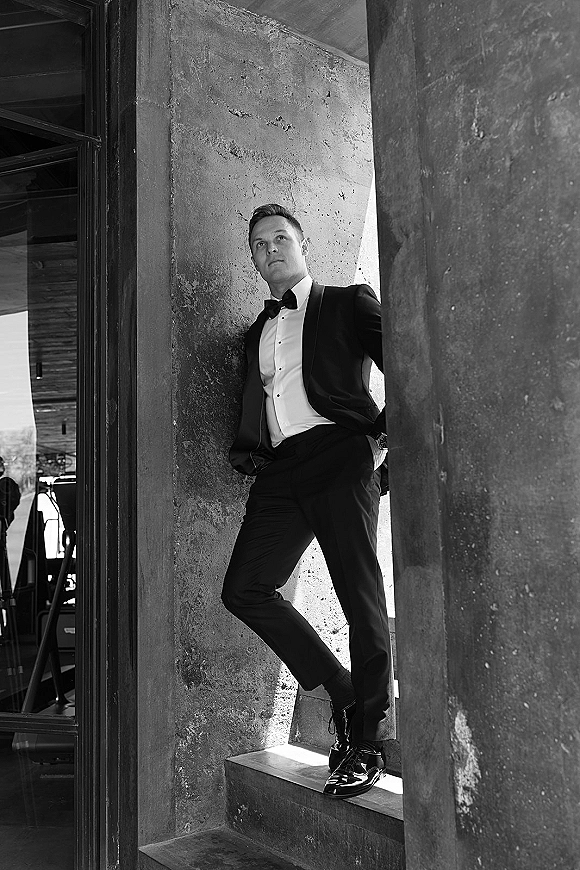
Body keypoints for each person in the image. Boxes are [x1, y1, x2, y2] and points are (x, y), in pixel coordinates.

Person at [222, 204, 391, 799]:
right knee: (243, 589)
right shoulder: (258, 331)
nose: (269, 250)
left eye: (279, 239)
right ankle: (341, 691)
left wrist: (383, 442)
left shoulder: (347, 302)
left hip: (339, 457)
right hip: (280, 472)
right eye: (257, 244)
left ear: (302, 243)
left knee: (358, 597)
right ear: (251, 259)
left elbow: (407, 360)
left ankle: (366, 739)